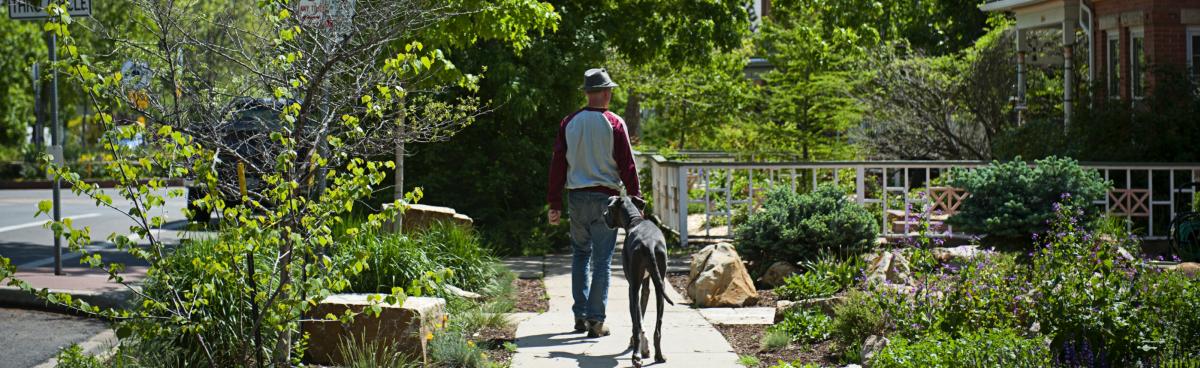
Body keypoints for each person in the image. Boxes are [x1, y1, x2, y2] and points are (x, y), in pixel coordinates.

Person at [547, 68, 641, 338]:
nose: (611, 94)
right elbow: (628, 166)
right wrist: (636, 201)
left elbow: (558, 164)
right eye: (609, 90)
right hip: (606, 200)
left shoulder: (569, 122)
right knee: (601, 261)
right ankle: (596, 321)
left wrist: (554, 203)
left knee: (580, 254)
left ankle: (580, 315)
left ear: (588, 93)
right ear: (605, 92)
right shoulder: (613, 122)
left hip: (576, 197)